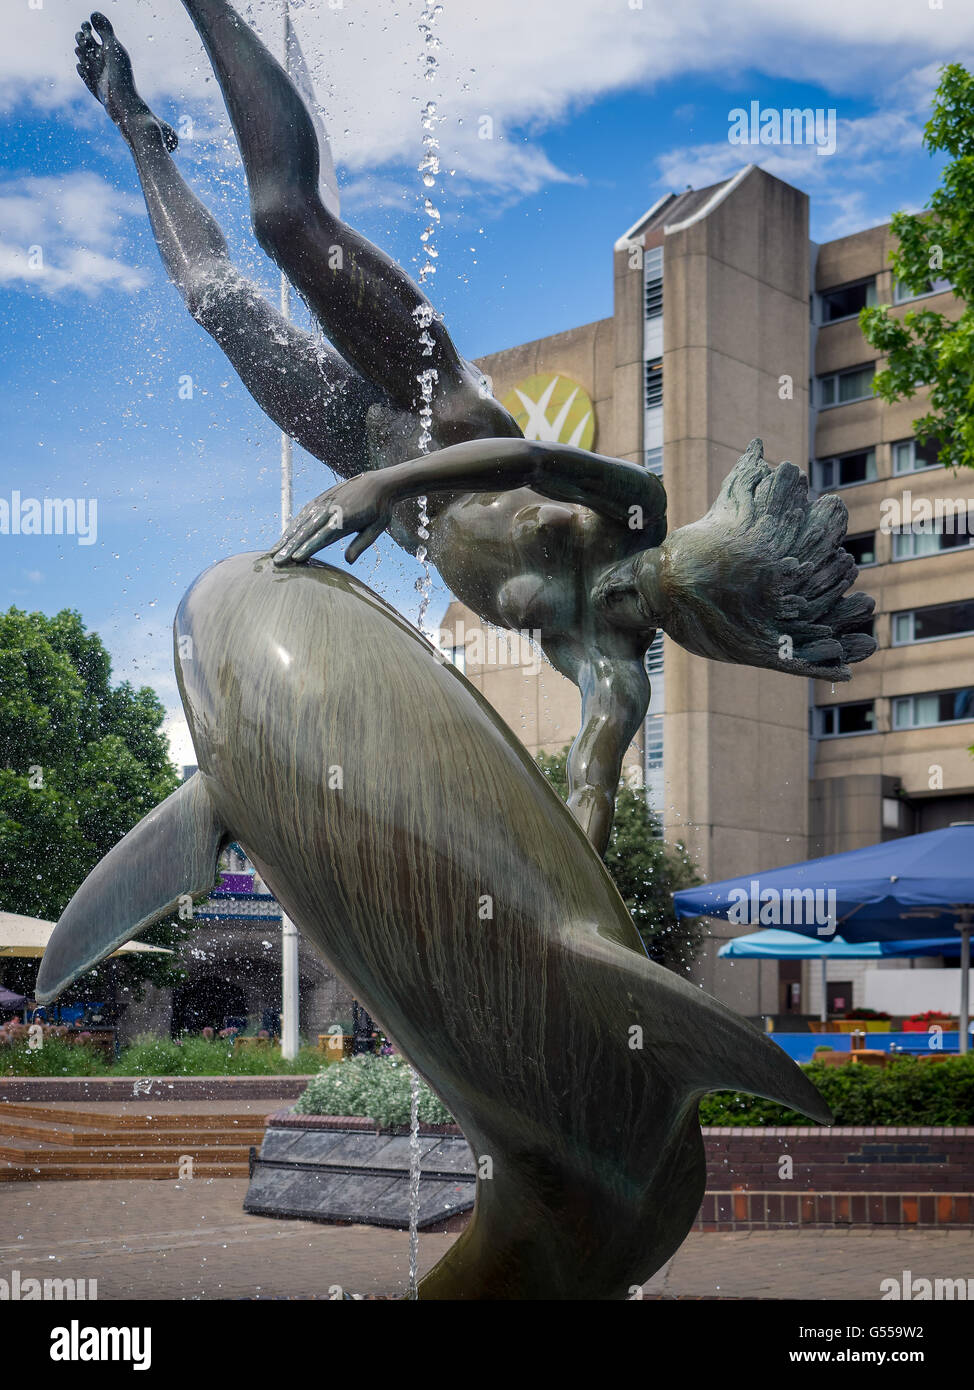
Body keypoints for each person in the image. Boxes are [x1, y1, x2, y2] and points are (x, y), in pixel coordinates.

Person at [75, 5, 875, 855]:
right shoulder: (638, 507)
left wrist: (569, 909)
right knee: (285, 219)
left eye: (646, 605)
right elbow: (527, 458)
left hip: (364, 460)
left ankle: (135, 125)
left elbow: (590, 792)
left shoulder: (610, 670)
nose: (621, 591)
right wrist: (385, 486)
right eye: (645, 573)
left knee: (216, 304)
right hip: (433, 406)